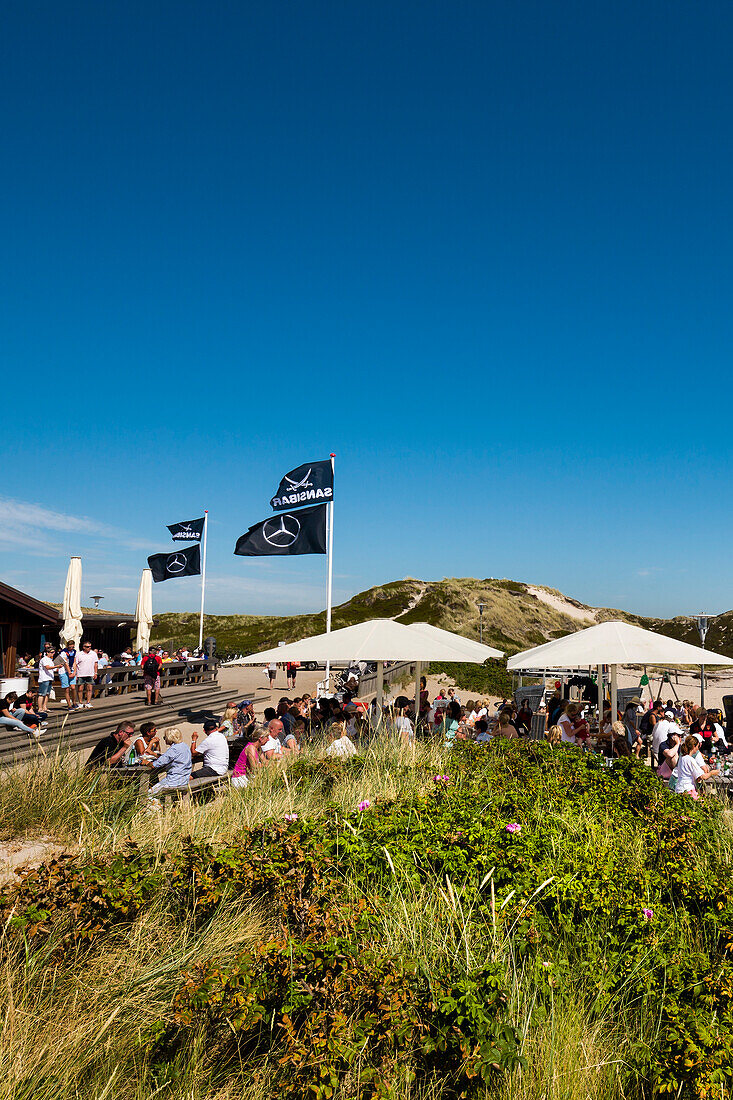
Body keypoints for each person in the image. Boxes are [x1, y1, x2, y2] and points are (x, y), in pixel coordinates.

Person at [145, 727, 192, 794]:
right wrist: (154, 754)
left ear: (169, 738)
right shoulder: (184, 746)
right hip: (184, 779)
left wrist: (146, 762)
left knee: (149, 793)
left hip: (173, 780)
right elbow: (166, 758)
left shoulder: (174, 749)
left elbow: (156, 764)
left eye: (165, 737)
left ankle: (156, 804)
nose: (164, 740)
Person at [675, 733, 719, 799]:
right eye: (698, 746)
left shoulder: (682, 757)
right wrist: (712, 772)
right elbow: (703, 776)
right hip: (687, 789)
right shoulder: (690, 759)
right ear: (694, 746)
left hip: (679, 788)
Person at [75, 640, 98, 709]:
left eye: (90, 647)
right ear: (83, 647)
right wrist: (75, 673)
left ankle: (88, 702)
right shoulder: (79, 654)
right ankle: (80, 702)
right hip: (80, 674)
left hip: (90, 673)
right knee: (80, 689)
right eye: (87, 647)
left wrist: (95, 673)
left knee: (89, 688)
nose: (89, 648)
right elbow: (75, 664)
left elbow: (95, 664)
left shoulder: (93, 654)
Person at [57, 640, 79, 710]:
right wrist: (69, 673)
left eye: (72, 647)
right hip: (64, 671)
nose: (71, 648)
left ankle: (74, 702)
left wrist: (74, 672)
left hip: (72, 669)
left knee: (73, 687)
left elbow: (74, 662)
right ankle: (69, 705)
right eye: (70, 647)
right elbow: (65, 663)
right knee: (66, 689)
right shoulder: (63, 653)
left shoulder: (74, 652)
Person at [37, 643, 57, 709]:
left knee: (47, 694)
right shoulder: (44, 659)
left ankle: (44, 707)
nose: (53, 653)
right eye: (52, 652)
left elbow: (52, 668)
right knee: (42, 694)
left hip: (49, 678)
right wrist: (57, 666)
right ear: (47, 652)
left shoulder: (50, 660)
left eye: (54, 652)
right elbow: (47, 667)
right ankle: (40, 708)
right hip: (44, 679)